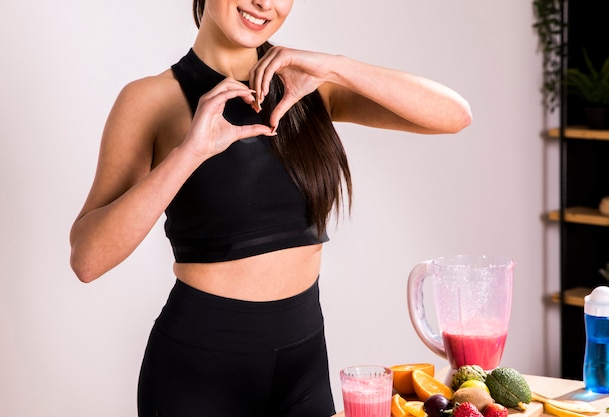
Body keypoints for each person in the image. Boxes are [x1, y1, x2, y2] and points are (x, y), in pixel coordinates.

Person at [69, 0, 472, 416]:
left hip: (304, 369)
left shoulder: (309, 84)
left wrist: (335, 66)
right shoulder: (152, 99)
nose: (264, 2)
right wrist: (189, 154)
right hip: (198, 376)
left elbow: (455, 115)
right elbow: (88, 259)